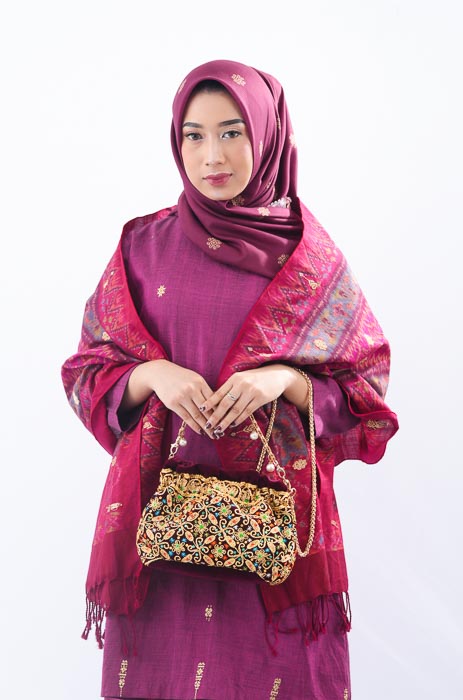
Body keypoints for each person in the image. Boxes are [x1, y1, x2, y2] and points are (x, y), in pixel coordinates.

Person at [62, 59, 398, 700]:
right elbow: (86, 372)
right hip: (162, 528)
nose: (211, 155)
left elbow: (366, 386)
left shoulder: (308, 256)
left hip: (279, 536)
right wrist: (152, 375)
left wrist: (285, 382)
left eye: (232, 132)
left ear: (268, 136)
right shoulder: (142, 248)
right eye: (194, 135)